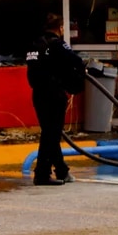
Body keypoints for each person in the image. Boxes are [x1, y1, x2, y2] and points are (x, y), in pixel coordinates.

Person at [26, 13, 86, 186]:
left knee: (49, 133)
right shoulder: (57, 44)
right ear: (60, 28)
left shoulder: (34, 45)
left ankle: (60, 170)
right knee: (51, 134)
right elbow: (76, 61)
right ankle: (43, 174)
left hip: (38, 94)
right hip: (54, 94)